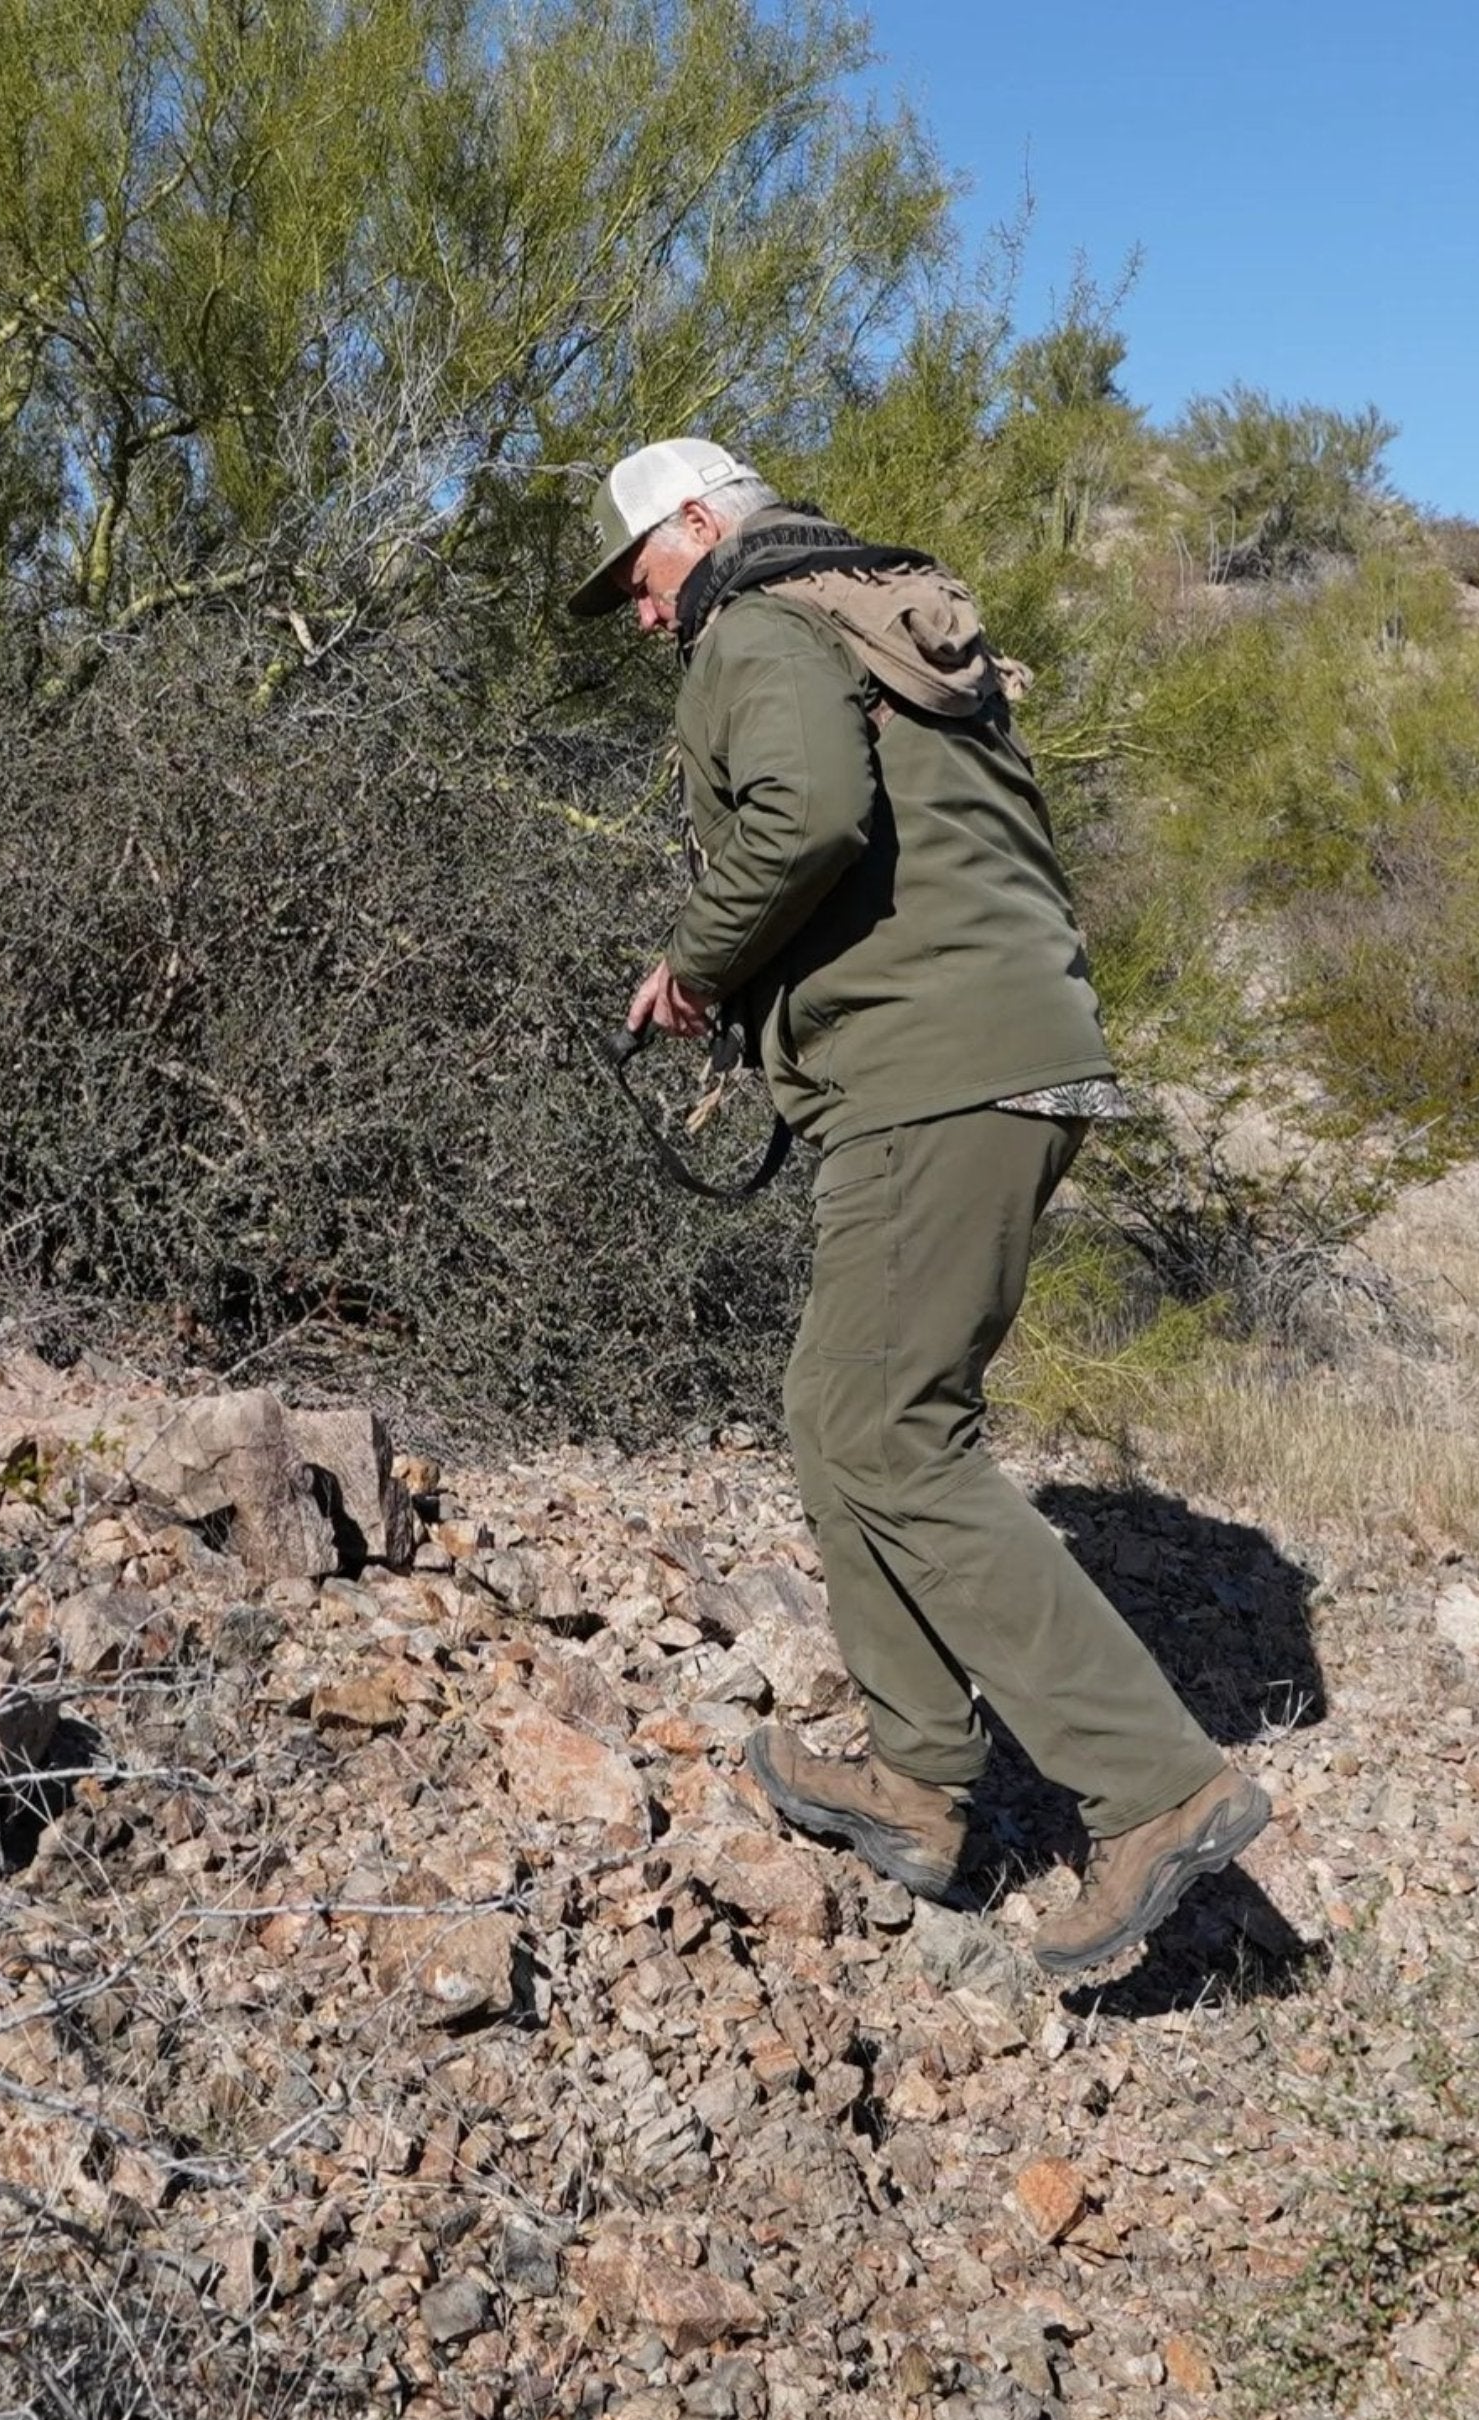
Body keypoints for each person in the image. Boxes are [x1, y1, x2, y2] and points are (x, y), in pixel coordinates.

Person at [570, 437, 1270, 1977]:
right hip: (1022, 1049)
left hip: (932, 1074)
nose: (640, 612)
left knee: (893, 1428)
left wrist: (696, 963)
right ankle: (918, 1780)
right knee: (844, 1410)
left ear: (699, 526)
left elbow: (808, 815)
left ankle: (1154, 1792)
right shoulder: (888, 618)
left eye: (640, 573)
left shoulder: (759, 621)